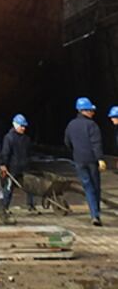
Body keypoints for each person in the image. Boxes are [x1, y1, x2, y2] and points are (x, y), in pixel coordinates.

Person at [64, 97, 106, 227]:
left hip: (79, 160)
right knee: (95, 187)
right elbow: (96, 144)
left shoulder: (71, 125)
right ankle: (96, 214)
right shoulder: (92, 125)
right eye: (91, 111)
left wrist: (76, 151)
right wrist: (100, 159)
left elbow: (67, 142)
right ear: (85, 111)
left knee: (87, 187)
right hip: (92, 161)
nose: (93, 113)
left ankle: (94, 214)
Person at [2, 114, 36, 212]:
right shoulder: (9, 138)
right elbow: (5, 153)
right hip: (13, 168)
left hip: (24, 167)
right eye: (21, 126)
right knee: (9, 188)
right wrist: (4, 165)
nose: (23, 128)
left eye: (24, 126)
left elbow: (29, 153)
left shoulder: (26, 138)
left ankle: (31, 205)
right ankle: (5, 207)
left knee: (30, 187)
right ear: (15, 125)